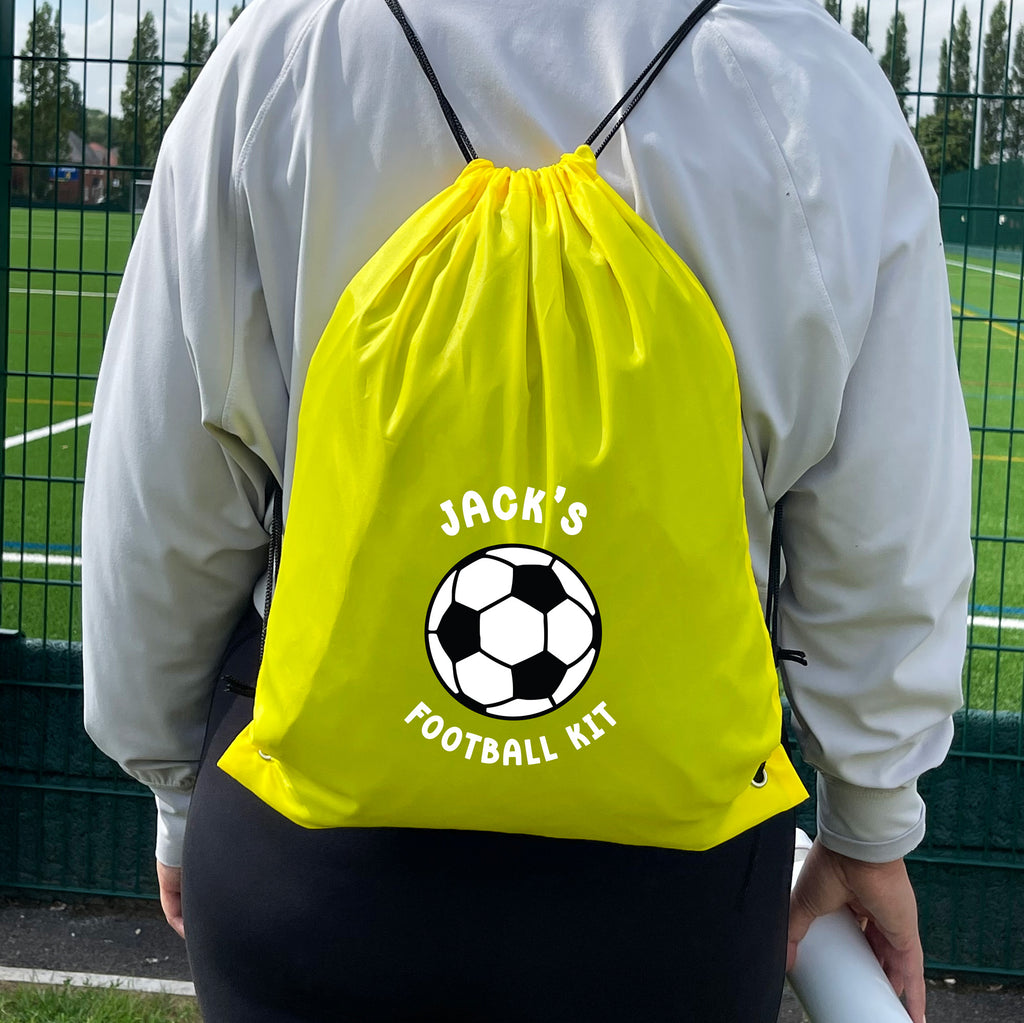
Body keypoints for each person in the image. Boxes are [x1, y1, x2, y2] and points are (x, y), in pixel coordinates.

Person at [82, 1, 973, 1020]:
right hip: (668, 887)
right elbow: (885, 531)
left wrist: (173, 788)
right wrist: (867, 819)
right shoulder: (807, 79)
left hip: (313, 858)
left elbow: (163, 500)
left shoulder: (285, 53)